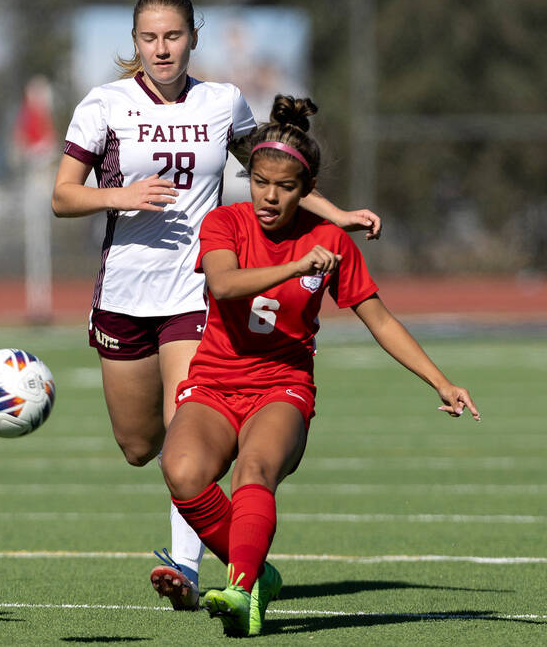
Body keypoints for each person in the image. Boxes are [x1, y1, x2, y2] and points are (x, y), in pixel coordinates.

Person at [51, 0, 382, 611]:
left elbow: (272, 168)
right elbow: (63, 196)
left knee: (188, 428)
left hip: (196, 290)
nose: (161, 49)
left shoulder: (221, 101)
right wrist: (117, 195)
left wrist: (336, 214)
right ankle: (246, 559)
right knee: (139, 446)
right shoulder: (104, 105)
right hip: (124, 292)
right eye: (149, 38)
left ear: (193, 37)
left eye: (172, 36)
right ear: (135, 42)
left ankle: (190, 568)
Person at [160, 94, 481, 637]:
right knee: (181, 471)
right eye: (260, 181)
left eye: (285, 188)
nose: (269, 196)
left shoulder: (330, 242)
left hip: (282, 388)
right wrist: (295, 264)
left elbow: (379, 320)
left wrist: (441, 382)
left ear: (307, 192)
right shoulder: (224, 223)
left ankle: (239, 588)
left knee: (254, 473)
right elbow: (223, 284)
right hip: (214, 381)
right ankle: (259, 573)